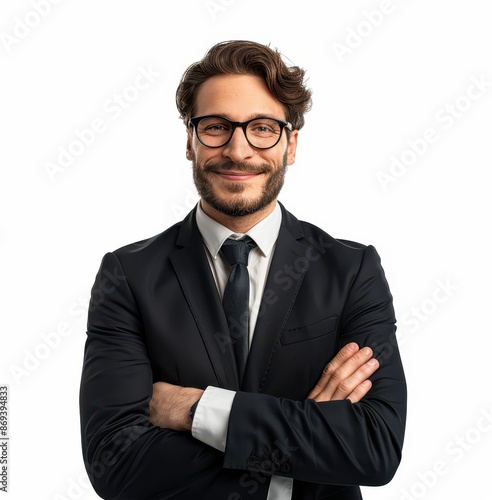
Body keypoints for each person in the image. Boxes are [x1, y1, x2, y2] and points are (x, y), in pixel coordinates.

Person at [79, 40, 407, 500]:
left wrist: (197, 409)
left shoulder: (352, 271)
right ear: (190, 142)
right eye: (215, 127)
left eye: (262, 128)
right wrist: (306, 441)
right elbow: (114, 464)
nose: (238, 150)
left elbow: (375, 448)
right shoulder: (128, 276)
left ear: (290, 145)